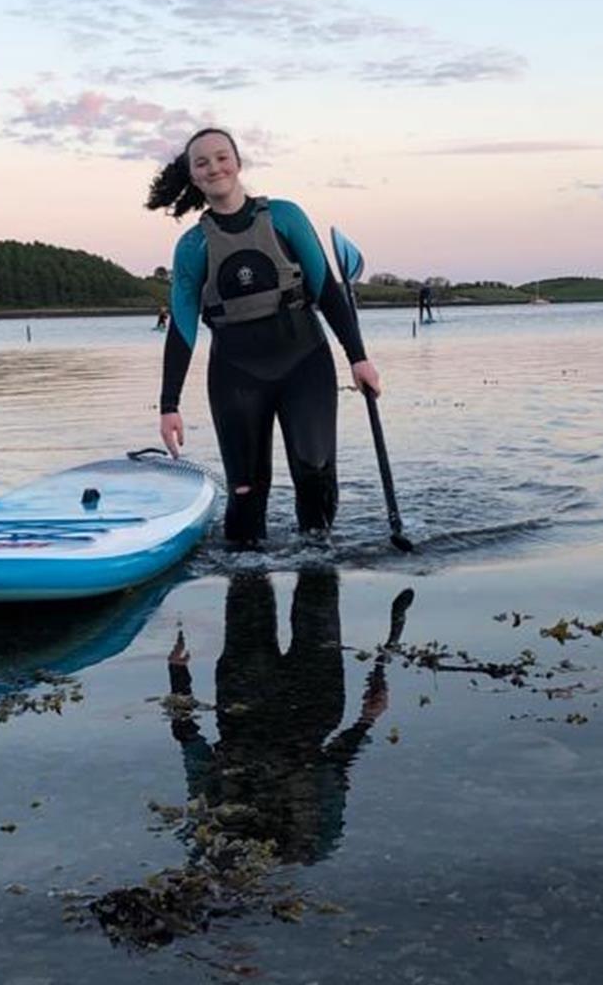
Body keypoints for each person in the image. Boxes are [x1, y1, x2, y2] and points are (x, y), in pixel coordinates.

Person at [147, 127, 381, 547]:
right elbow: (182, 328)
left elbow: (326, 288)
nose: (214, 167)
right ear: (193, 176)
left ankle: (318, 571)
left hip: (304, 361)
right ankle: (247, 589)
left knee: (314, 470)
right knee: (246, 491)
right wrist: (169, 405)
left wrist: (358, 357)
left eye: (222, 157)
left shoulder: (285, 217)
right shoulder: (192, 246)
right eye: (202, 163)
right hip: (236, 375)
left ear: (238, 163)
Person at [164, 570, 394, 864]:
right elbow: (331, 774)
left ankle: (309, 543)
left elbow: (332, 773)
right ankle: (309, 541)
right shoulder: (313, 844)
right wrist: (178, 676)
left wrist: (365, 722)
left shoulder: (315, 846)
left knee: (309, 582)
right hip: (278, 702)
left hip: (282, 701)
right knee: (258, 578)